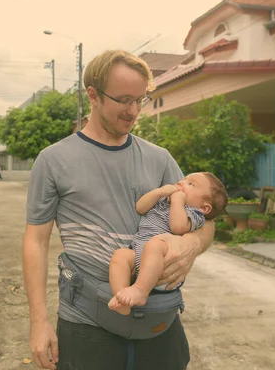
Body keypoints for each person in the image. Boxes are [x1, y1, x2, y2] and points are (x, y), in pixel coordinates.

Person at [23, 50, 215, 370]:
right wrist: (38, 322)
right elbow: (35, 241)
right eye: (124, 100)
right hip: (87, 324)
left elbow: (206, 223)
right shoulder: (53, 160)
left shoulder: (160, 159)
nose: (133, 111)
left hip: (159, 323)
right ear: (93, 95)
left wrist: (192, 245)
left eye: (141, 100)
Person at [108, 172, 228, 315]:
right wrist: (158, 193)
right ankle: (121, 297)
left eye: (191, 184)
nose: (181, 183)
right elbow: (140, 208)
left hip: (163, 266)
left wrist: (178, 201)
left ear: (204, 208)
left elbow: (177, 227)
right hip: (141, 258)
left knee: (156, 244)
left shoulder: (194, 214)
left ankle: (140, 291)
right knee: (120, 255)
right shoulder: (163, 202)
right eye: (183, 179)